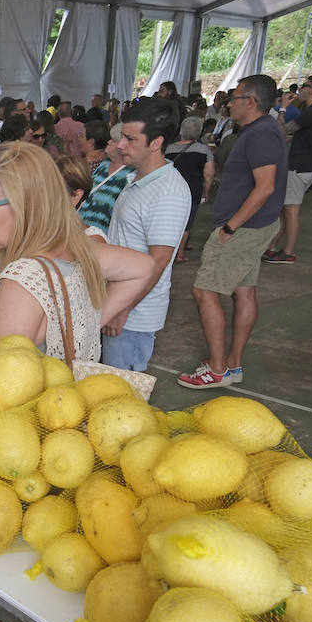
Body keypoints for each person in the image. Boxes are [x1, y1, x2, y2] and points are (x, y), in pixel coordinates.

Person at [0, 141, 151, 362]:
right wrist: (86, 324)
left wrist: (85, 324)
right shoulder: (76, 249)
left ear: (27, 204)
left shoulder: (23, 279)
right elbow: (143, 267)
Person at [178, 74, 286, 390]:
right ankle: (231, 364)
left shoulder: (261, 134)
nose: (228, 103)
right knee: (243, 290)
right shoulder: (259, 131)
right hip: (253, 225)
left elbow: (264, 187)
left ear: (251, 102)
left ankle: (217, 369)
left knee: (204, 291)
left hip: (244, 227)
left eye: (234, 98)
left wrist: (230, 227)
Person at [102, 99, 192, 371]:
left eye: (130, 139)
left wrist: (124, 308)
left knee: (121, 396)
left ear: (155, 143)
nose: (120, 145)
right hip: (116, 303)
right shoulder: (137, 178)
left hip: (131, 317)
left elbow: (160, 260)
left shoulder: (168, 192)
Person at [264, 74, 312, 264]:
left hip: (299, 166)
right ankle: (273, 245)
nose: (300, 89)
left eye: (304, 85)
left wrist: (283, 108)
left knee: (291, 210)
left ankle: (288, 252)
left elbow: (282, 130)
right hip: (306, 165)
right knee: (286, 209)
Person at [164, 117, 215, 263]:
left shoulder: (169, 149)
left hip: (170, 190)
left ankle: (166, 252)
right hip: (193, 191)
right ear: (199, 133)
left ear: (181, 131)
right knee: (186, 223)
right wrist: (207, 192)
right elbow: (209, 174)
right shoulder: (204, 150)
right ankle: (179, 253)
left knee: (169, 221)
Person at [76, 123, 134, 232]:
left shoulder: (130, 174)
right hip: (82, 230)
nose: (108, 142)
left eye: (113, 140)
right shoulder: (105, 163)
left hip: (102, 237)